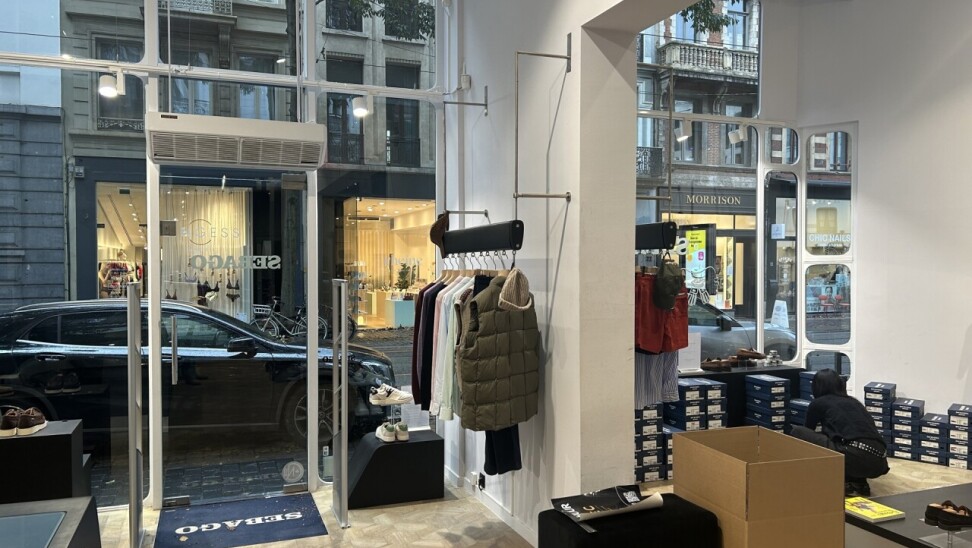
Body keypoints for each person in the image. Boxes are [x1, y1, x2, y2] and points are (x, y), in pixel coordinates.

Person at [789, 369, 890, 497]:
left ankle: (814, 477)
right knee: (842, 443)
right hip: (879, 462)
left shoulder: (818, 403)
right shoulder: (855, 402)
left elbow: (808, 430)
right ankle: (857, 482)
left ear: (816, 387)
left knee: (798, 432)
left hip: (855, 457)